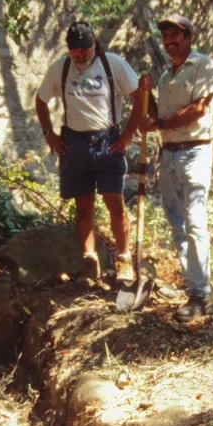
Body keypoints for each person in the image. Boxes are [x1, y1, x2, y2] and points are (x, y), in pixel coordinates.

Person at [36, 20, 146, 282]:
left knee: (115, 203)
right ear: (69, 49)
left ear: (94, 43)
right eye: (76, 50)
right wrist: (48, 134)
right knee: (83, 206)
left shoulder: (112, 64)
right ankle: (89, 263)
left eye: (85, 48)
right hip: (74, 145)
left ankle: (123, 261)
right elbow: (41, 101)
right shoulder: (60, 68)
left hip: (108, 142)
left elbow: (139, 96)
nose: (81, 54)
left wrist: (129, 134)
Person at [139, 14, 213, 324]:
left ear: (189, 37)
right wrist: (145, 94)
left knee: (195, 222)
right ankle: (193, 286)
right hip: (169, 154)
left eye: (176, 35)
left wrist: (159, 122)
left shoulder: (204, 66)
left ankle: (201, 295)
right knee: (177, 223)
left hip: (195, 152)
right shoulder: (165, 75)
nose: (170, 41)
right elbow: (158, 115)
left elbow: (198, 109)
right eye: (166, 36)